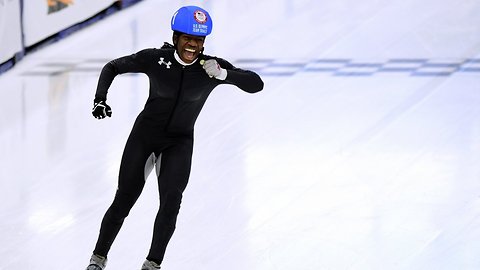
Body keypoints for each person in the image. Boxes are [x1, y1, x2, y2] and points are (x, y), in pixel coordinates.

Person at [85, 5, 264, 270]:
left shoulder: (210, 68)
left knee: (171, 202)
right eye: (188, 39)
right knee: (124, 199)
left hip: (179, 142)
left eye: (199, 40)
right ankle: (98, 259)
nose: (193, 45)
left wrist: (225, 75)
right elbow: (113, 67)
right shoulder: (155, 59)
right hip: (144, 137)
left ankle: (152, 264)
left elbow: (256, 84)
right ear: (176, 37)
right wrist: (100, 99)